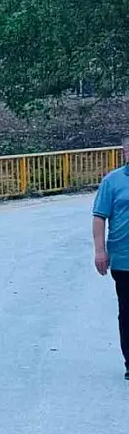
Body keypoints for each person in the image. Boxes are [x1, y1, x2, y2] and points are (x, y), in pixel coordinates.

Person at [92, 136, 129, 381]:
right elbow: (99, 217)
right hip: (124, 259)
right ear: (124, 152)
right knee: (127, 312)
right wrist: (100, 250)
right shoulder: (113, 181)